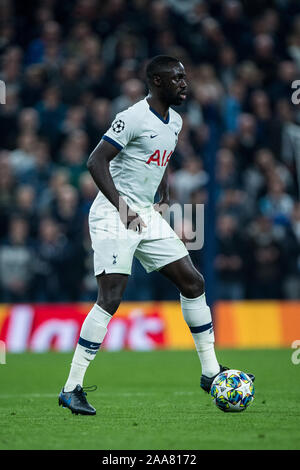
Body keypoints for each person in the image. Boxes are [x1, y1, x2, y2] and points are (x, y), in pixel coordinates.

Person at [58, 55, 254, 415]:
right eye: (177, 78)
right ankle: (71, 388)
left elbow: (158, 157)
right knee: (112, 295)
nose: (184, 83)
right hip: (114, 213)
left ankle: (210, 373)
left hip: (145, 214)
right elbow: (95, 161)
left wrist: (162, 186)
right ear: (157, 82)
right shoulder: (132, 117)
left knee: (193, 282)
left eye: (185, 77)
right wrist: (122, 208)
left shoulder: (175, 121)